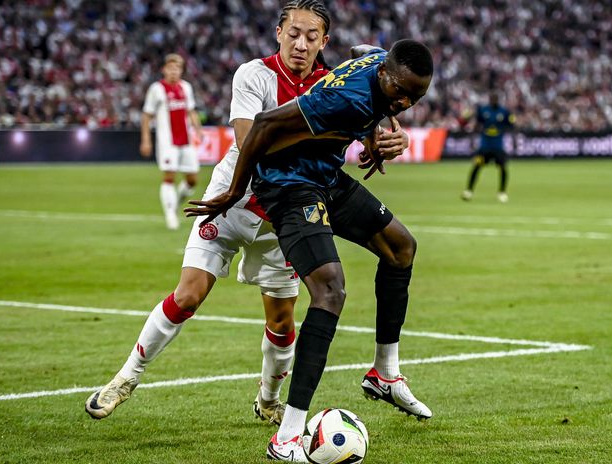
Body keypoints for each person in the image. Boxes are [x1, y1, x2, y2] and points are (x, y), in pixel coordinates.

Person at [85, 1, 412, 427]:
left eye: (312, 36)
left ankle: (269, 400)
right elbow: (249, 140)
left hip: (288, 214)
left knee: (282, 319)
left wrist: (385, 134)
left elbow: (375, 67)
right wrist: (355, 131)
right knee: (188, 294)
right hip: (232, 198)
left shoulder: (334, 83)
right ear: (278, 32)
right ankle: (125, 379)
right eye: (293, 32)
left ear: (324, 42)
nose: (301, 43)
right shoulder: (253, 74)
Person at [186, 39, 435, 462]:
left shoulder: (380, 66)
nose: (406, 101)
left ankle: (384, 374)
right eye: (400, 92)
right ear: (383, 76)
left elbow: (364, 48)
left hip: (322, 173)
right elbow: (263, 125)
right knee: (330, 291)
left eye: (416, 96)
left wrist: (380, 130)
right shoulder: (343, 100)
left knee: (401, 248)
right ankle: (286, 437)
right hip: (286, 183)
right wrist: (232, 190)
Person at [140, 53, 204, 230]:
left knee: (192, 180)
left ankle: (174, 204)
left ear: (181, 71)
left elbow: (191, 111)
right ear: (164, 70)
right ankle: (170, 214)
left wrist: (198, 129)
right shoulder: (156, 89)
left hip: (186, 141)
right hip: (167, 142)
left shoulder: (186, 87)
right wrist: (146, 140)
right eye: (171, 68)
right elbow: (146, 116)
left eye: (177, 68)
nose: (174, 71)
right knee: (169, 177)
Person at [461, 91, 515, 203]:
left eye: (495, 99)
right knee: (477, 166)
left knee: (503, 167)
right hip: (484, 146)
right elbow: (476, 125)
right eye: (491, 99)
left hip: (498, 146)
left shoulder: (504, 112)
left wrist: (514, 140)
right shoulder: (483, 110)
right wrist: (472, 139)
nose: (493, 101)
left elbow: (512, 126)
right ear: (489, 99)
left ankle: (502, 192)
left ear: (497, 100)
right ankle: (469, 191)